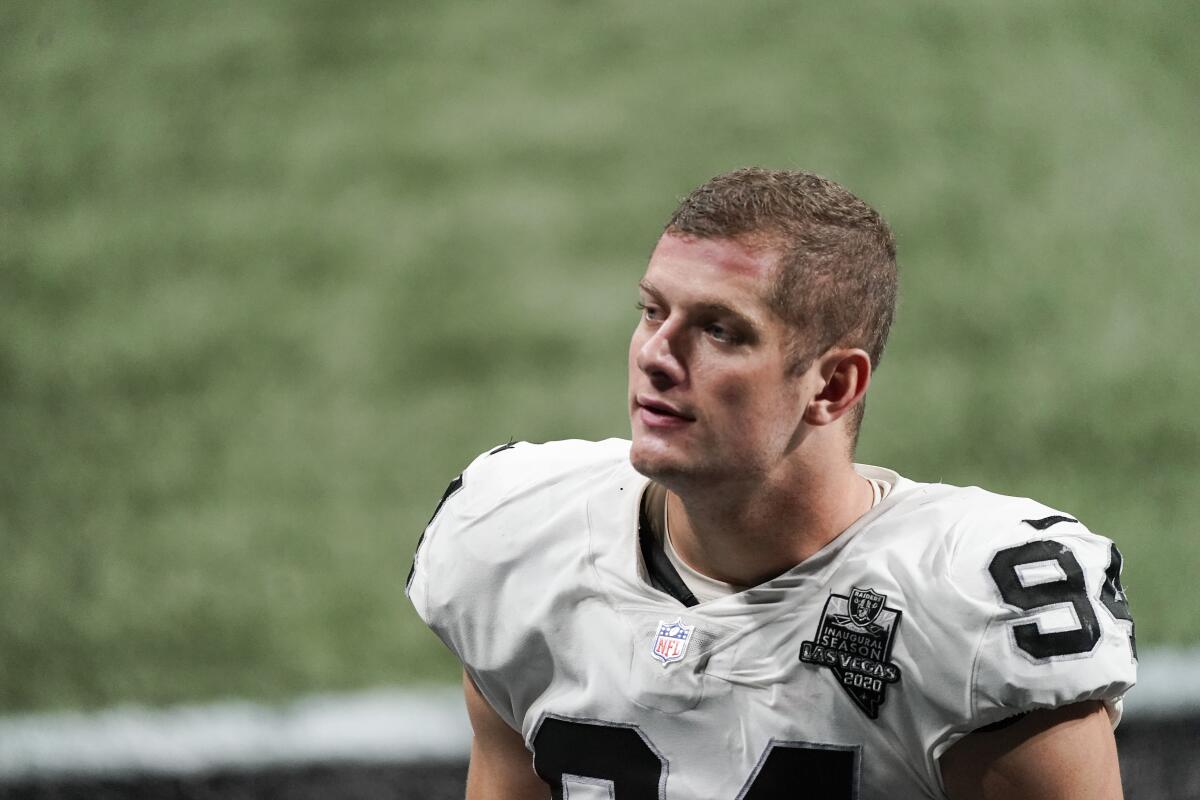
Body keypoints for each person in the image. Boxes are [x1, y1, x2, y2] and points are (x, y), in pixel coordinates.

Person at [406, 168, 1137, 799]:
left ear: (833, 385)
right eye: (652, 312)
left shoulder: (974, 610)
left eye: (721, 330)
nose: (657, 356)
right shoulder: (519, 535)